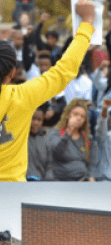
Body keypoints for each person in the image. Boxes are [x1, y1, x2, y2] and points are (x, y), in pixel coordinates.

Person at [0, 0, 95, 181]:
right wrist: (88, 21)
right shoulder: (23, 96)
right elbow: (64, 70)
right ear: (12, 73)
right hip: (13, 192)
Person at [48, 98, 95, 181]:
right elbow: (57, 153)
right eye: (76, 114)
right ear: (68, 115)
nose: (79, 118)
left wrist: (91, 179)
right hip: (59, 180)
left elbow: (91, 163)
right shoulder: (56, 132)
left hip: (81, 180)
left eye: (82, 116)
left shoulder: (86, 138)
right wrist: (69, 131)